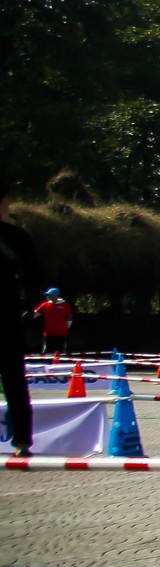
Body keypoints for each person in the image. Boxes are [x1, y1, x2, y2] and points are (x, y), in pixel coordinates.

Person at [0, 175, 40, 455]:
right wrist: (27, 309)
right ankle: (22, 441)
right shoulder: (16, 237)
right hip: (7, 317)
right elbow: (35, 278)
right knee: (14, 379)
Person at [33, 288, 73, 357]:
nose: (48, 296)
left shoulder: (65, 305)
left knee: (60, 353)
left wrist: (66, 327)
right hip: (49, 334)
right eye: (48, 295)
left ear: (56, 295)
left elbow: (69, 317)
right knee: (48, 352)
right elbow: (35, 314)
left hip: (61, 334)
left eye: (50, 295)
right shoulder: (45, 305)